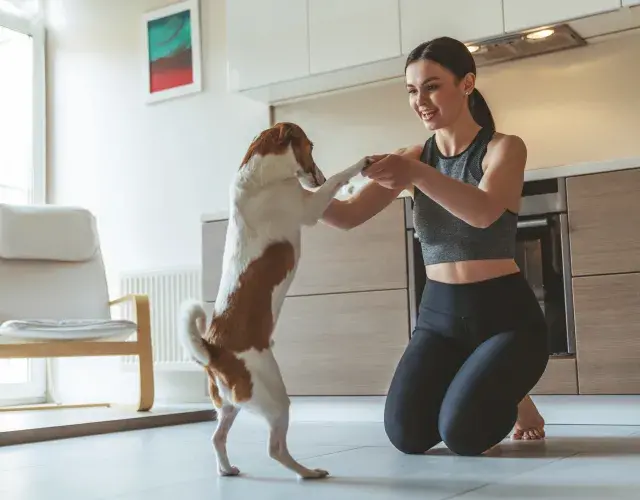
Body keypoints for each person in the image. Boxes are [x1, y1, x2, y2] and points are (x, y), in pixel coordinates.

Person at [321, 36, 549, 456]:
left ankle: (512, 393)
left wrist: (417, 173)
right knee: (407, 436)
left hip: (506, 319)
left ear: (466, 84)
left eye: (431, 86)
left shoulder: (503, 148)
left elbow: (482, 212)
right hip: (439, 317)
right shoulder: (414, 157)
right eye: (411, 90)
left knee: (463, 435)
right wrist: (299, 184)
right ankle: (487, 381)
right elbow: (346, 215)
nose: (420, 100)